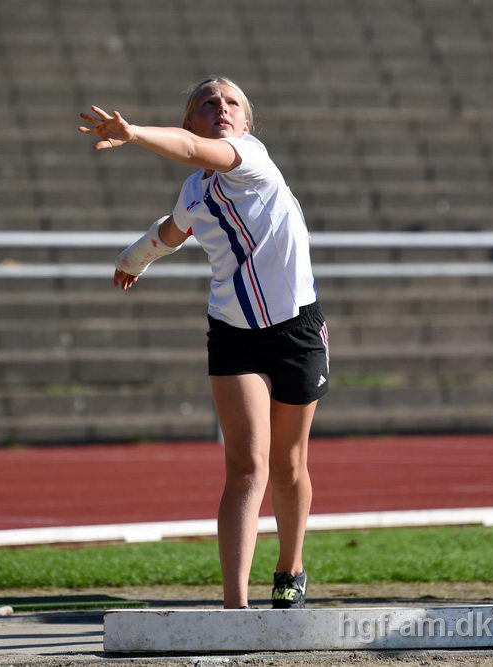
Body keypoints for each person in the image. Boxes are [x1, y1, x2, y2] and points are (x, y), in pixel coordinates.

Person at [78, 76, 328, 610]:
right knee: (246, 466)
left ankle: (290, 568)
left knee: (288, 463)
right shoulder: (196, 190)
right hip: (233, 332)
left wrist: (135, 133)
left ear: (245, 124)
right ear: (190, 118)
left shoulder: (251, 158)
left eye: (231, 102)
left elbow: (192, 149)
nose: (221, 107)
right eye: (207, 103)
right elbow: (174, 229)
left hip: (296, 329)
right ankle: (234, 607)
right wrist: (134, 259)